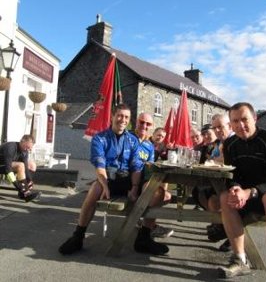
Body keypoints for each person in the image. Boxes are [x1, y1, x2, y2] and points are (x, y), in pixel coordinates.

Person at [58, 104, 169, 256]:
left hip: (128, 179)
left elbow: (136, 166)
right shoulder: (99, 138)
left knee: (155, 192)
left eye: (126, 117)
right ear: (112, 116)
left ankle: (143, 239)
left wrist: (135, 187)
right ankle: (78, 237)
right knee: (95, 189)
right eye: (120, 116)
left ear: (129, 120)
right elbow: (99, 164)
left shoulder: (133, 140)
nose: (122, 120)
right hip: (108, 178)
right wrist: (105, 186)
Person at [218, 102, 266, 281]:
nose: (240, 125)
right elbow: (232, 175)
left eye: (244, 119)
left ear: (255, 118)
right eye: (235, 121)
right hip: (248, 194)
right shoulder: (230, 144)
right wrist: (235, 188)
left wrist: (250, 192)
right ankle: (240, 259)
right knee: (225, 197)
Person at [132, 114, 173, 242]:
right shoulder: (128, 139)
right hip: (128, 181)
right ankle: (148, 228)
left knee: (164, 194)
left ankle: (146, 227)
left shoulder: (148, 145)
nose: (144, 126)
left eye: (148, 124)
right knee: (158, 193)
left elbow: (149, 168)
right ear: (136, 122)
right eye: (141, 122)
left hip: (142, 179)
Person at [205, 113, 234, 252]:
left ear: (229, 126)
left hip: (236, 184)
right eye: (214, 127)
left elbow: (226, 159)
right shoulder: (220, 142)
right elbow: (214, 158)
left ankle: (225, 231)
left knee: (213, 196)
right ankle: (219, 227)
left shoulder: (233, 140)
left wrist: (213, 160)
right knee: (207, 195)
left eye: (220, 127)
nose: (217, 130)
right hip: (220, 180)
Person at [0, 134, 40, 202]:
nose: (29, 149)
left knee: (32, 165)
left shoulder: (25, 151)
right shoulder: (10, 147)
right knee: (20, 165)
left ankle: (24, 191)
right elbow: (8, 169)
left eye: (30, 148)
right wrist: (17, 185)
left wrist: (30, 180)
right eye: (27, 147)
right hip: (2, 165)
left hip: (7, 166)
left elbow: (26, 168)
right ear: (22, 141)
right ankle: (25, 192)